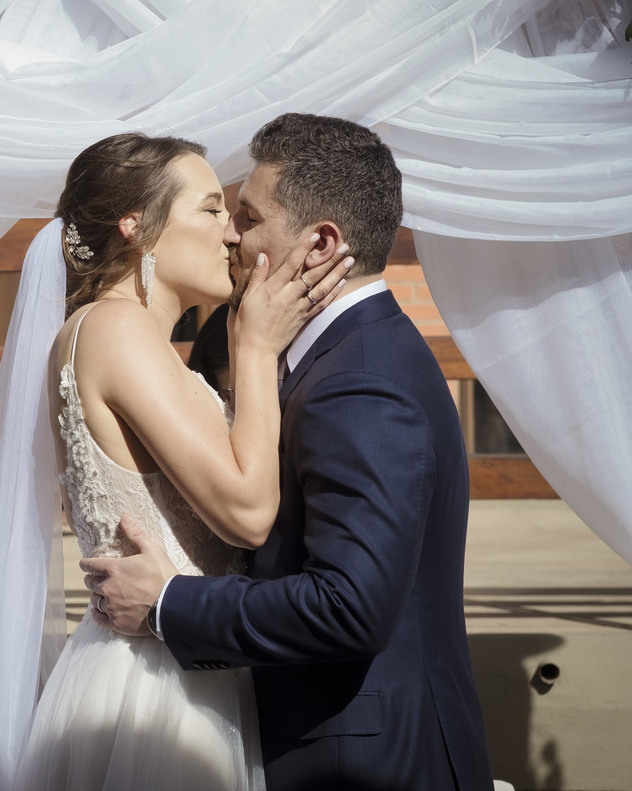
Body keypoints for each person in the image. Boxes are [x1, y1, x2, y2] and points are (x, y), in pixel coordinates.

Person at [83, 113, 493, 790]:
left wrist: (168, 605)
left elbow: (349, 606)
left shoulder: (359, 381)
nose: (232, 237)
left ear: (321, 242)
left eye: (248, 217)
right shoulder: (346, 357)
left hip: (364, 764)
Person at [0, 132, 352, 790]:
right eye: (211, 210)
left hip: (178, 662)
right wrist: (255, 348)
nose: (231, 235)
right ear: (138, 228)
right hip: (157, 692)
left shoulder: (130, 338)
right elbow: (246, 514)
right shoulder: (115, 327)